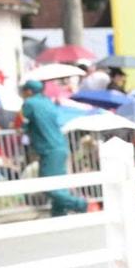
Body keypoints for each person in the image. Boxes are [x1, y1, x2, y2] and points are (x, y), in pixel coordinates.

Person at [19, 74, 88, 218]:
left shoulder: (29, 103)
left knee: (48, 185)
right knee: (59, 183)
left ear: (29, 91)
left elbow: (23, 123)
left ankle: (79, 204)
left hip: (48, 149)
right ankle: (58, 213)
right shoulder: (48, 102)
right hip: (60, 146)